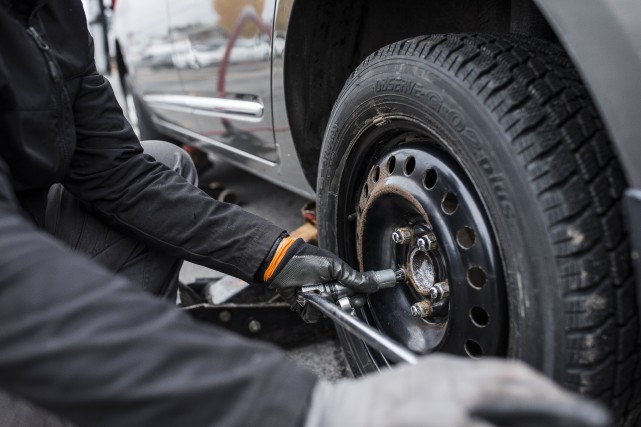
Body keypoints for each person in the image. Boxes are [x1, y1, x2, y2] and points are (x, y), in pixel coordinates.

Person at [0, 0, 610, 426]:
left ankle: (102, 385)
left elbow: (121, 175)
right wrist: (302, 409)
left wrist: (276, 257)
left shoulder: (54, 13)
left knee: (163, 162)